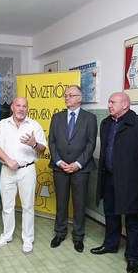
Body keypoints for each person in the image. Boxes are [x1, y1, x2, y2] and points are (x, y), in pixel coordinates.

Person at [92, 92, 138, 273]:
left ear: (125, 104)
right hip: (109, 177)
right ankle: (111, 244)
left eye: (112, 102)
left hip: (132, 182)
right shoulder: (106, 123)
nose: (109, 105)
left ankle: (133, 256)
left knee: (132, 220)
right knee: (110, 213)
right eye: (108, 102)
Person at [0, 97, 47, 254]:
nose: (21, 109)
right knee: (7, 205)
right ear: (12, 107)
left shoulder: (34, 125)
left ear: (27, 108)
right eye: (18, 105)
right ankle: (7, 235)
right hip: (7, 170)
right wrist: (8, 160)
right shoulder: (3, 125)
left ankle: (28, 238)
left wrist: (34, 144)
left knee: (28, 206)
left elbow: (43, 149)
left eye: (24, 106)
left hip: (27, 170)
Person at [48, 85, 97, 253]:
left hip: (81, 169)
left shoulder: (90, 118)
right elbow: (52, 141)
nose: (67, 98)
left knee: (79, 204)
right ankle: (60, 233)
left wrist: (78, 164)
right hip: (60, 168)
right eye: (65, 95)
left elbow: (91, 144)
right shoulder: (57, 117)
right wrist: (58, 161)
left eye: (70, 95)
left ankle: (78, 236)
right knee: (61, 203)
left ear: (79, 98)